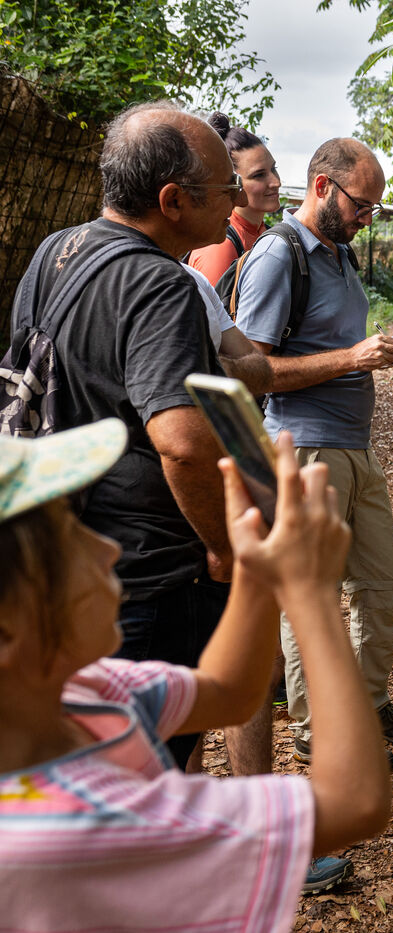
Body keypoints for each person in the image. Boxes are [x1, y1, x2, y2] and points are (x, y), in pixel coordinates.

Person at [0, 420, 392, 931]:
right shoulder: (65, 830)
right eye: (69, 539)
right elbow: (354, 802)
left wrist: (254, 561)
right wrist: (311, 592)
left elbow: (228, 692)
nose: (108, 549)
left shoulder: (80, 695)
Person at [9, 100, 258, 769]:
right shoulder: (160, 285)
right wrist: (223, 548)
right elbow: (182, 442)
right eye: (226, 187)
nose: (238, 198)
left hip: (68, 557)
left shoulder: (55, 250)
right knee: (145, 775)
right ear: (173, 201)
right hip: (150, 579)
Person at [234, 137, 393, 767]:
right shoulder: (280, 254)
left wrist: (373, 353)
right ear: (323, 186)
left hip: (355, 447)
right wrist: (351, 358)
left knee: (382, 584)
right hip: (304, 447)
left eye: (375, 207)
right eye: (361, 204)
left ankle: (367, 705)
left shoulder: (339, 252)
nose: (367, 218)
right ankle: (318, 729)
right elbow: (250, 370)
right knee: (312, 598)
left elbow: (326, 344)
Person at [187, 111, 282, 287]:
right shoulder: (220, 245)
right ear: (230, 181)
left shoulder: (266, 234)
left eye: (274, 169)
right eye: (259, 175)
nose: (276, 182)